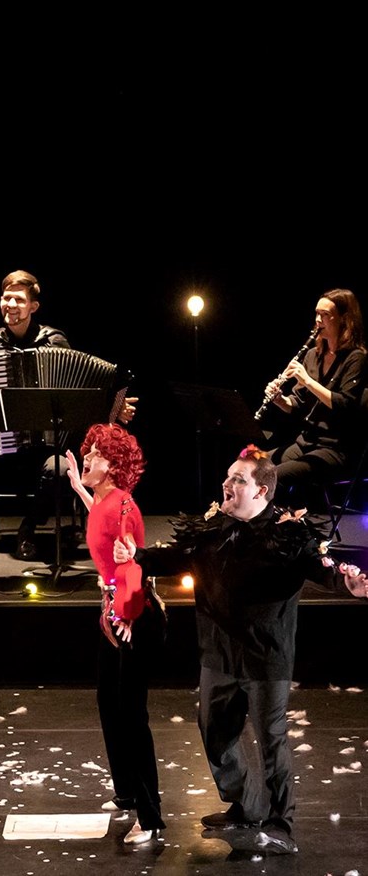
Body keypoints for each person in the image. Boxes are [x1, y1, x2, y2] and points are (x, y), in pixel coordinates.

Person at [114, 444, 368, 856]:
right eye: (228, 476)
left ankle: (281, 825)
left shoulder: (288, 536)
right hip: (218, 653)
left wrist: (349, 585)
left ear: (261, 491)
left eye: (237, 479)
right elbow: (175, 557)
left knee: (271, 741)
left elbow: (322, 570)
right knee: (214, 731)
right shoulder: (213, 529)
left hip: (265, 657)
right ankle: (247, 804)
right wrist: (137, 556)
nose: (226, 483)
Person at [0, 269, 137, 566]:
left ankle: (28, 529)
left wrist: (113, 407)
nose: (11, 305)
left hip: (48, 445)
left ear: (33, 306)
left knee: (62, 468)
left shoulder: (54, 340)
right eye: (6, 298)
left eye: (19, 300)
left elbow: (78, 392)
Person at [66, 423, 166, 846]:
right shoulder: (106, 500)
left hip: (133, 613)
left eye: (95, 456)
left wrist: (125, 612)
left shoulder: (124, 506)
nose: (86, 459)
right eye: (87, 453)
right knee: (108, 701)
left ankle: (149, 816)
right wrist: (79, 486)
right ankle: (125, 791)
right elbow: (99, 518)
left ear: (113, 466)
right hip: (114, 610)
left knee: (131, 715)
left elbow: (132, 566)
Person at [261, 288, 367, 520]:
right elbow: (297, 405)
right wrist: (279, 399)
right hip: (306, 442)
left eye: (325, 314)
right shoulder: (312, 355)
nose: (318, 320)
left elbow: (344, 405)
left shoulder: (356, 358)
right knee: (251, 466)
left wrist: (307, 381)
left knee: (274, 477)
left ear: (344, 319)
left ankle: (276, 530)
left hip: (335, 449)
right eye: (317, 313)